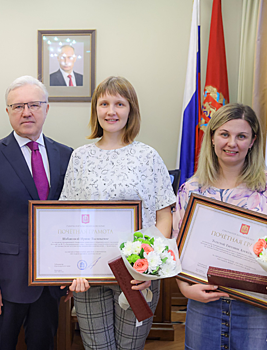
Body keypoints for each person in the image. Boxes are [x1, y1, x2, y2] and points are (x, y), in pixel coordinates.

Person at [173, 103, 267, 349]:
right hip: (204, 304)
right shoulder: (192, 190)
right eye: (225, 134)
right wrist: (185, 288)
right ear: (212, 137)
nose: (232, 143)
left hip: (259, 306)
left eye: (241, 136)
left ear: (252, 141)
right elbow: (177, 248)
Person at [59, 76, 176, 349]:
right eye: (104, 103)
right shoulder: (80, 157)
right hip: (91, 273)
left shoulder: (148, 156)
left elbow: (164, 216)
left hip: (138, 276)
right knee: (97, 347)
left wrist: (149, 268)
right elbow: (68, 215)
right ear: (95, 110)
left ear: (131, 109)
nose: (111, 111)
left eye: (119, 104)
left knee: (129, 347)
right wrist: (71, 264)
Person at [0, 76, 73, 350]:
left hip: (50, 283)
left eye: (34, 105)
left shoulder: (66, 155)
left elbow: (71, 217)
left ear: (47, 108)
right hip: (4, 282)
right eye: (17, 106)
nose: (26, 112)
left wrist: (70, 271)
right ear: (8, 112)